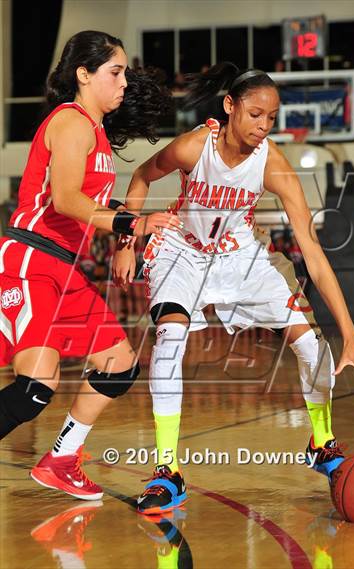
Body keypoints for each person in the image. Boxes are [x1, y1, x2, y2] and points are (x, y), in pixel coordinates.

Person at [113, 62, 354, 514]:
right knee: (169, 340)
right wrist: (126, 242)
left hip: (243, 254)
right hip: (183, 248)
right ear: (230, 106)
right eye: (256, 114)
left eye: (272, 117)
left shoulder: (273, 165)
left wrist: (352, 335)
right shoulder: (193, 147)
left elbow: (314, 255)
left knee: (314, 349)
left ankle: (322, 443)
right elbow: (142, 177)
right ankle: (168, 471)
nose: (264, 126)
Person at [0, 30, 181, 500]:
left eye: (124, 73)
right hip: (32, 258)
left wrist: (125, 232)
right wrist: (133, 224)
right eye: (114, 72)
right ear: (83, 74)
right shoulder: (71, 122)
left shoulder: (96, 131)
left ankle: (61, 459)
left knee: (118, 365)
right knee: (36, 386)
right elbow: (64, 199)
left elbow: (94, 201)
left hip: (63, 268)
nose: (123, 83)